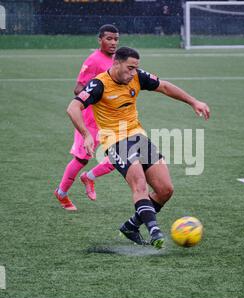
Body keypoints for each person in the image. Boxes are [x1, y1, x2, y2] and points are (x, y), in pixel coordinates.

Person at [66, 47, 210, 249]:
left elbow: (165, 87)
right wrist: (86, 135)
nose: (134, 73)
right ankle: (154, 231)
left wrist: (193, 101)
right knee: (140, 185)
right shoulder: (99, 84)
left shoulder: (137, 77)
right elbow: (73, 107)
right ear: (116, 64)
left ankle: (130, 227)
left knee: (165, 190)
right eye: (130, 68)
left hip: (137, 136)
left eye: (136, 68)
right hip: (114, 141)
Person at [54, 24, 119, 211]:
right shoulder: (93, 60)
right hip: (90, 117)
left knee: (121, 156)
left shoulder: (117, 59)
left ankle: (89, 177)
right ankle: (61, 193)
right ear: (100, 40)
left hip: (110, 117)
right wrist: (97, 97)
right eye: (109, 38)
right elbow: (78, 89)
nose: (113, 42)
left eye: (116, 39)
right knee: (82, 159)